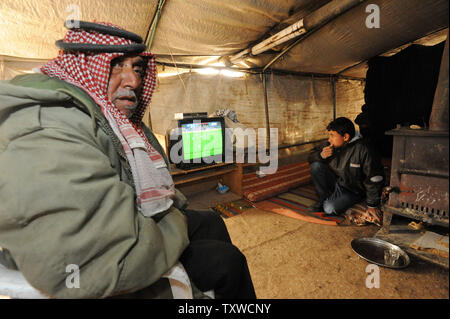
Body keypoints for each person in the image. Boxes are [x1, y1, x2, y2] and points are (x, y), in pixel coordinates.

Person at [0, 21, 255, 299]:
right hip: (115, 257)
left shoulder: (112, 117)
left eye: (136, 68)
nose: (133, 81)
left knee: (211, 221)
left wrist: (173, 211)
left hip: (133, 221)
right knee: (229, 261)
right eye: (117, 64)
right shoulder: (51, 124)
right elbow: (105, 259)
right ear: (84, 65)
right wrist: (174, 219)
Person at [307, 117, 384, 225]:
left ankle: (334, 201)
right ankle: (323, 199)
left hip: (353, 189)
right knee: (316, 166)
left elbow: (374, 178)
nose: (329, 139)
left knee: (329, 208)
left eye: (332, 135)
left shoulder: (363, 149)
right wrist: (320, 155)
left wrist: (372, 204)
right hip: (338, 182)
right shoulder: (330, 145)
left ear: (346, 137)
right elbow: (310, 156)